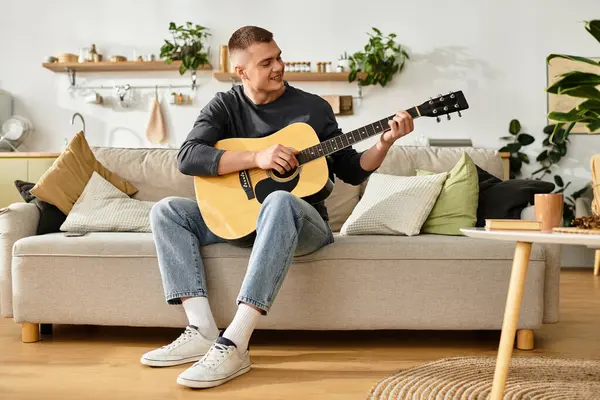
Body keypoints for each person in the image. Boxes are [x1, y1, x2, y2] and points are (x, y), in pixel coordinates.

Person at [140, 25, 414, 389]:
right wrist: (257, 156)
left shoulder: (312, 108)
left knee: (281, 199)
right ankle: (202, 330)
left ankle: (235, 342)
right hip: (244, 221)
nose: (279, 66)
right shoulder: (224, 106)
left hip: (304, 224)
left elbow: (350, 168)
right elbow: (188, 157)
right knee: (167, 210)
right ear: (242, 71)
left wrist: (384, 143)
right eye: (267, 61)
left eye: (279, 56)